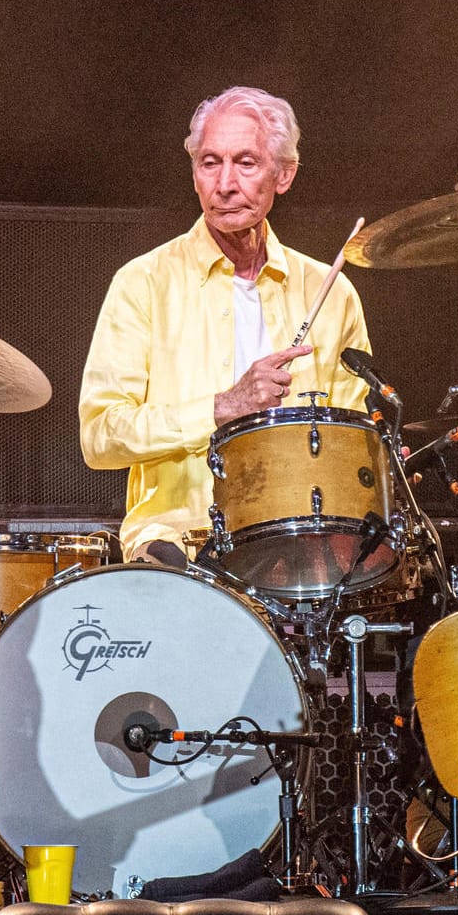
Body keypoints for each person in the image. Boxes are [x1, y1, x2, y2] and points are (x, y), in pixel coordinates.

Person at [80, 86, 372, 564]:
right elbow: (100, 436)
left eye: (247, 163)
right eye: (210, 163)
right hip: (180, 542)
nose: (225, 183)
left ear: (284, 175)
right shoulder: (143, 282)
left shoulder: (332, 292)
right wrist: (223, 406)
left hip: (300, 543)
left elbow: (354, 438)